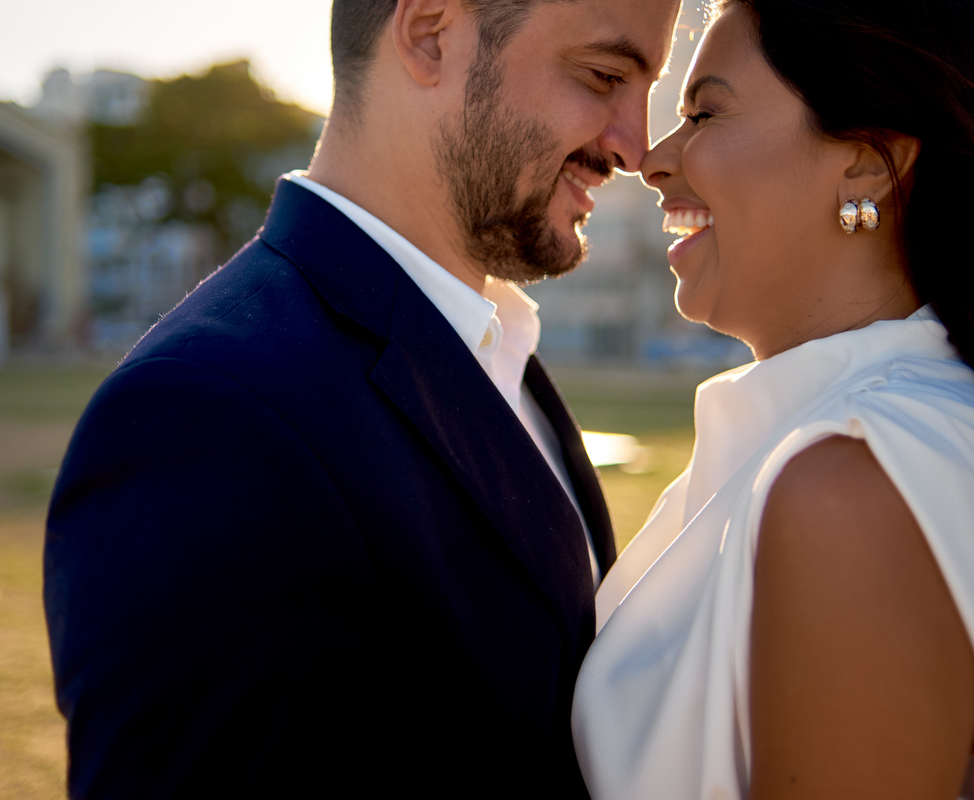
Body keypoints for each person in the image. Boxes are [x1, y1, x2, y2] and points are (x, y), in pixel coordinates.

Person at [44, 0, 680, 796]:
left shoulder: (493, 350)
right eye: (603, 76)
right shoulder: (208, 419)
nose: (637, 144)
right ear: (429, 34)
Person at [571, 0, 974, 797]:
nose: (652, 157)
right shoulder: (829, 444)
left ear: (865, 159)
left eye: (705, 112)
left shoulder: (854, 489)